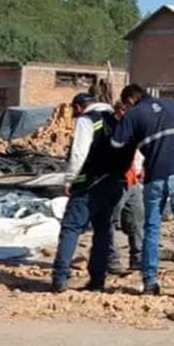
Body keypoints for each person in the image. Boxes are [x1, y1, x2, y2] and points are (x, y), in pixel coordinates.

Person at [111, 84, 174, 298]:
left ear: (129, 100)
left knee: (152, 228)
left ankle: (149, 283)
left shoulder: (134, 114)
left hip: (154, 176)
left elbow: (116, 143)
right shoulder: (172, 104)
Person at [50, 93, 132, 293]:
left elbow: (79, 153)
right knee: (103, 230)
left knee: (71, 228)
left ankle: (60, 278)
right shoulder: (117, 119)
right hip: (114, 183)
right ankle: (97, 280)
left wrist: (70, 180)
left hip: (90, 183)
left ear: (78, 108)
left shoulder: (87, 121)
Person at [110, 101, 146, 270]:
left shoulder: (135, 130)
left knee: (136, 220)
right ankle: (111, 260)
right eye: (123, 110)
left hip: (133, 181)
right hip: (115, 181)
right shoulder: (111, 130)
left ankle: (138, 259)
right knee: (109, 221)